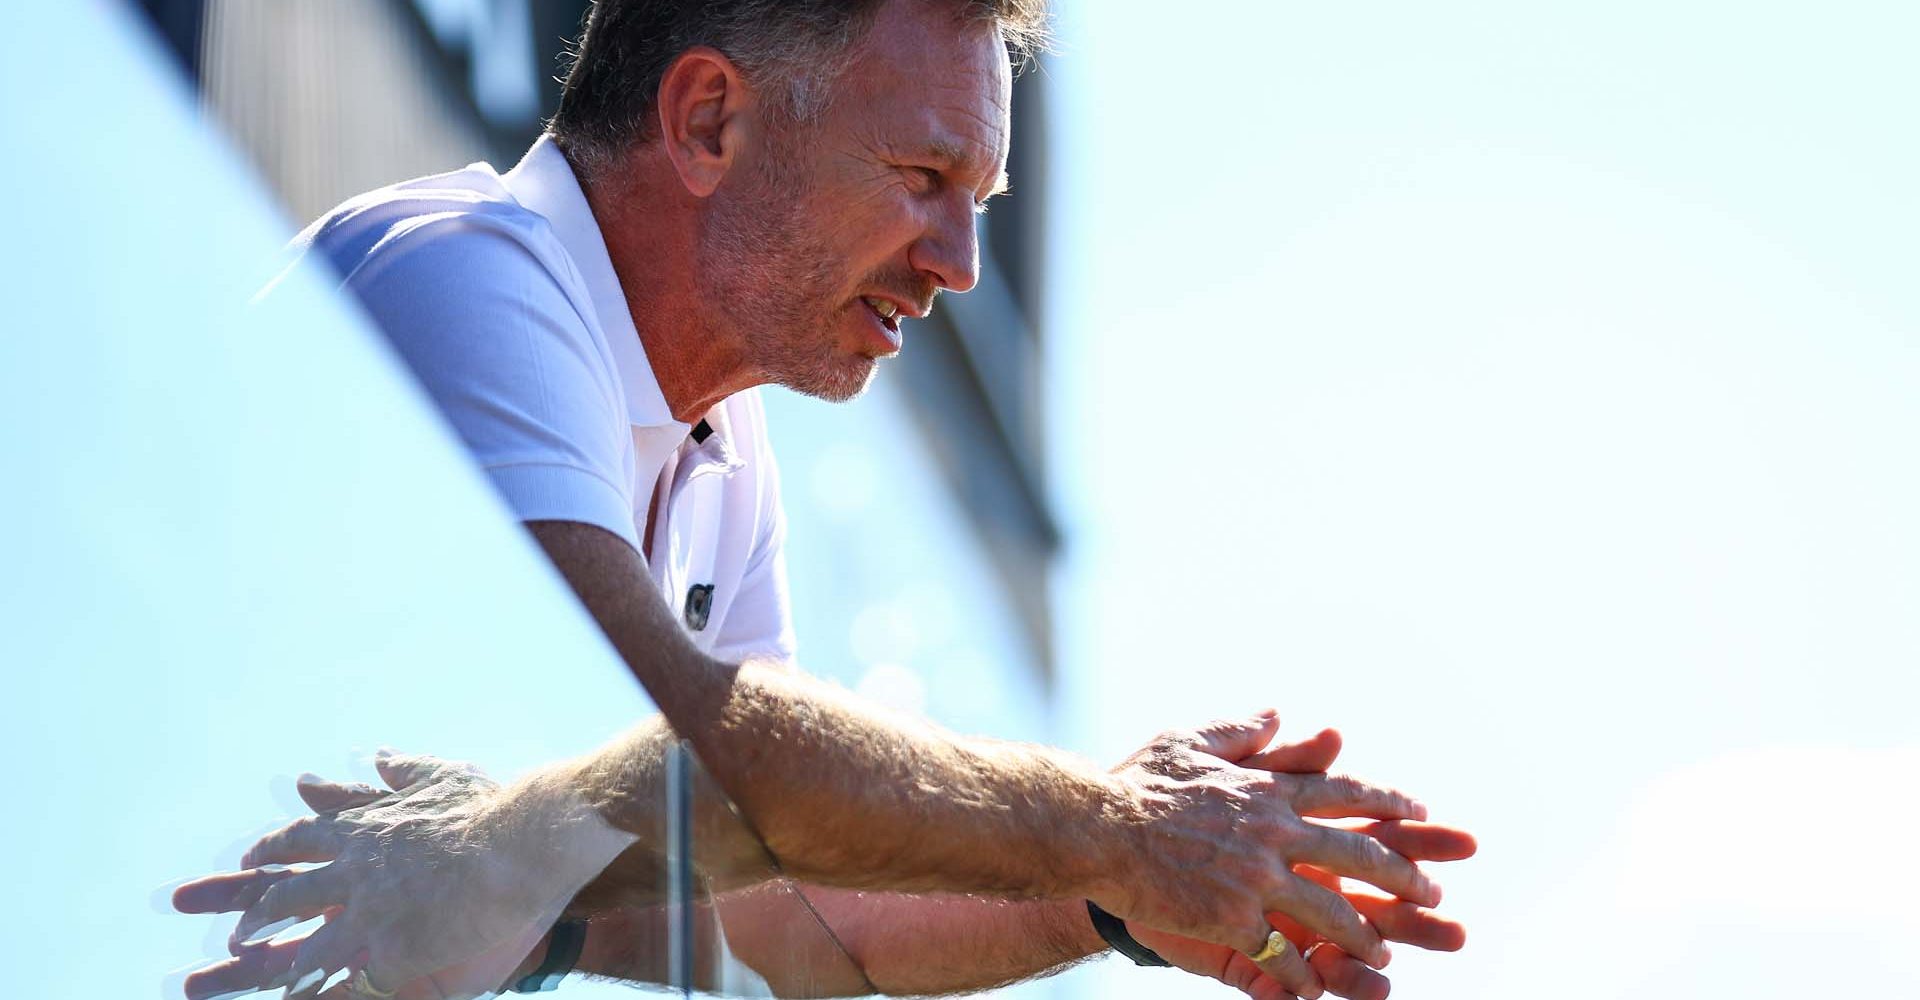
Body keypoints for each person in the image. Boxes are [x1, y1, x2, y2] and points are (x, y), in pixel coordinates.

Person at [171, 2, 1476, 998]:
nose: (961, 264)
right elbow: (729, 775)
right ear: (706, 123)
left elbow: (793, 908)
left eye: (981, 204)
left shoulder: (723, 441)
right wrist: (1116, 826)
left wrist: (1113, 901)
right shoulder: (469, 273)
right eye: (922, 177)